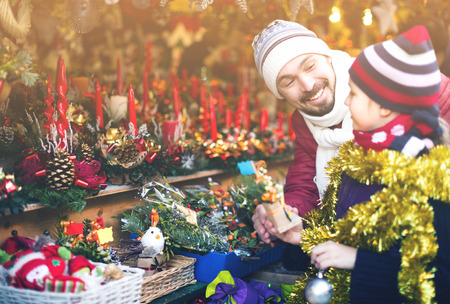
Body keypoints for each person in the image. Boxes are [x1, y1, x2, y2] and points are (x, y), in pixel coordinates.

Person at [251, 20, 450, 270]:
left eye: (310, 65)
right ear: (278, 93)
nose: (308, 85)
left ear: (328, 57)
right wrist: (286, 214)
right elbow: (305, 182)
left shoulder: (391, 79)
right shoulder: (305, 122)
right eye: (288, 81)